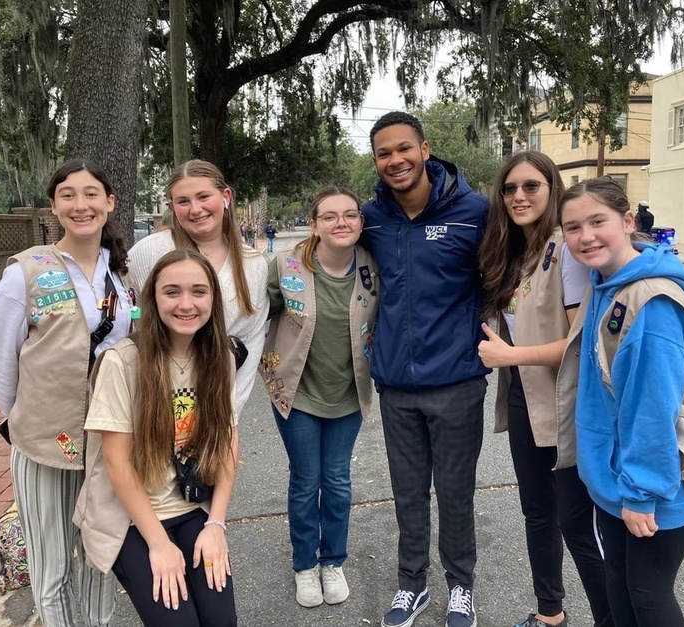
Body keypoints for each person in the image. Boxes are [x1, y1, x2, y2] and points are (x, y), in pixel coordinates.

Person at [557, 178, 684, 626]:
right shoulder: (606, 284)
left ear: (627, 222)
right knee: (621, 586)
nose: (585, 236)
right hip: (616, 476)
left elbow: (654, 409)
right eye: (572, 227)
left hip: (656, 485)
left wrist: (642, 492)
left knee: (648, 597)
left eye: (598, 221)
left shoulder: (649, 302)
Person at [360, 111, 490, 627]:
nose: (395, 160)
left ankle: (461, 587)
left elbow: (510, 274)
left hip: (457, 381)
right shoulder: (371, 217)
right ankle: (410, 584)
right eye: (384, 153)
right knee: (407, 493)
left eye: (403, 149)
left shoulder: (474, 211)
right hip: (396, 385)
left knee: (456, 492)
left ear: (425, 149)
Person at [0, 159, 129, 626]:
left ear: (109, 203)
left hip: (106, 443)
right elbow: (1, 359)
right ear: (54, 206)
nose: (80, 204)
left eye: (91, 194)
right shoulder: (25, 271)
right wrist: (18, 420)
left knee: (98, 555)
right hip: (44, 443)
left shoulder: (119, 274)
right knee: (51, 567)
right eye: (68, 194)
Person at [476, 152, 611, 627]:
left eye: (531, 186)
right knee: (537, 513)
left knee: (578, 525)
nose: (518, 196)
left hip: (564, 405)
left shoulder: (565, 251)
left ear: (552, 189)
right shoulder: (517, 252)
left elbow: (579, 344)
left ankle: (611, 618)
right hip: (523, 401)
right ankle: (549, 612)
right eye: (510, 189)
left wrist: (509, 357)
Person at [74, 249, 238, 626]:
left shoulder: (220, 357)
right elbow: (117, 463)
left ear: (213, 297)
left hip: (191, 506)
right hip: (131, 518)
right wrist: (159, 545)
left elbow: (227, 442)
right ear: (153, 299)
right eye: (172, 292)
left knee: (220, 621)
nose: (186, 304)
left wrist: (216, 524)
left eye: (198, 291)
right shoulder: (124, 362)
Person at [259, 187, 378, 608]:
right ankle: (304, 566)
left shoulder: (372, 267)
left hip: (348, 394)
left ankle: (333, 561)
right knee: (306, 481)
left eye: (350, 214)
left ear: (361, 222)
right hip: (297, 394)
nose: (340, 222)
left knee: (338, 481)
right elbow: (255, 316)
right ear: (314, 224)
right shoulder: (286, 265)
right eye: (329, 216)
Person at [128, 160, 268, 414]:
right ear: (172, 207)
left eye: (204, 197)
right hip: (154, 399)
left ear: (225, 196)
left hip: (217, 402)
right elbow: (128, 313)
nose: (195, 209)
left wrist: (230, 410)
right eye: (183, 201)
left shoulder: (253, 264)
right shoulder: (149, 252)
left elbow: (252, 338)